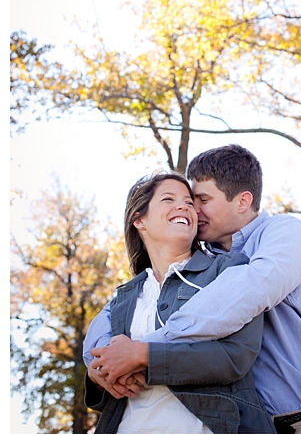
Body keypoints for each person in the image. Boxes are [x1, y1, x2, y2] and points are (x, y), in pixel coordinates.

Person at [86, 144, 301, 434]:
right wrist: (98, 364)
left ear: (242, 201)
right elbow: (109, 317)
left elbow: (249, 292)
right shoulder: (204, 263)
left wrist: (145, 349)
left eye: (201, 199)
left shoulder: (283, 234)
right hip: (251, 425)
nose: (192, 209)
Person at [85, 170, 275, 433]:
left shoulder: (228, 270)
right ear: (139, 220)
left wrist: (144, 357)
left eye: (189, 202)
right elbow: (102, 360)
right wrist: (98, 375)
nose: (184, 207)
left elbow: (235, 356)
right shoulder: (123, 298)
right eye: (169, 199)